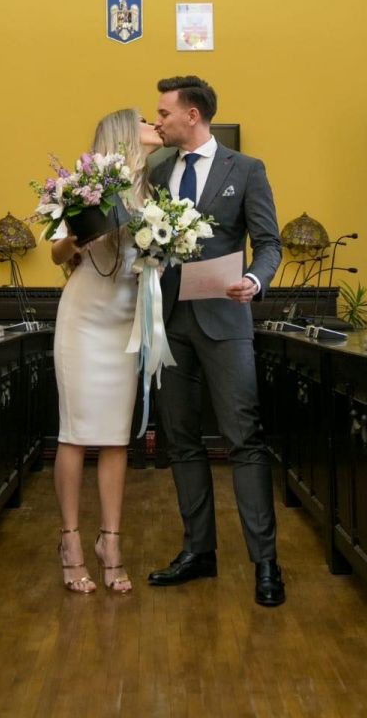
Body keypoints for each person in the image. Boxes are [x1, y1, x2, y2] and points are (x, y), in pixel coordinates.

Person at [147, 76, 286, 606]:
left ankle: (265, 563)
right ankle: (198, 552)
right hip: (169, 324)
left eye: (164, 112)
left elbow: (268, 243)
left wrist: (254, 280)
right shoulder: (158, 172)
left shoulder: (246, 169)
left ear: (193, 115)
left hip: (226, 322)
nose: (157, 120)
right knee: (181, 441)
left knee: (244, 439)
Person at [50, 109, 163, 593]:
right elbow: (57, 252)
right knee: (75, 433)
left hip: (126, 320)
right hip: (83, 318)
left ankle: (110, 543)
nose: (155, 124)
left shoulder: (154, 191)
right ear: (123, 132)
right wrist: (78, 235)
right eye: (145, 120)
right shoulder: (85, 184)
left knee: (117, 437)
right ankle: (70, 541)